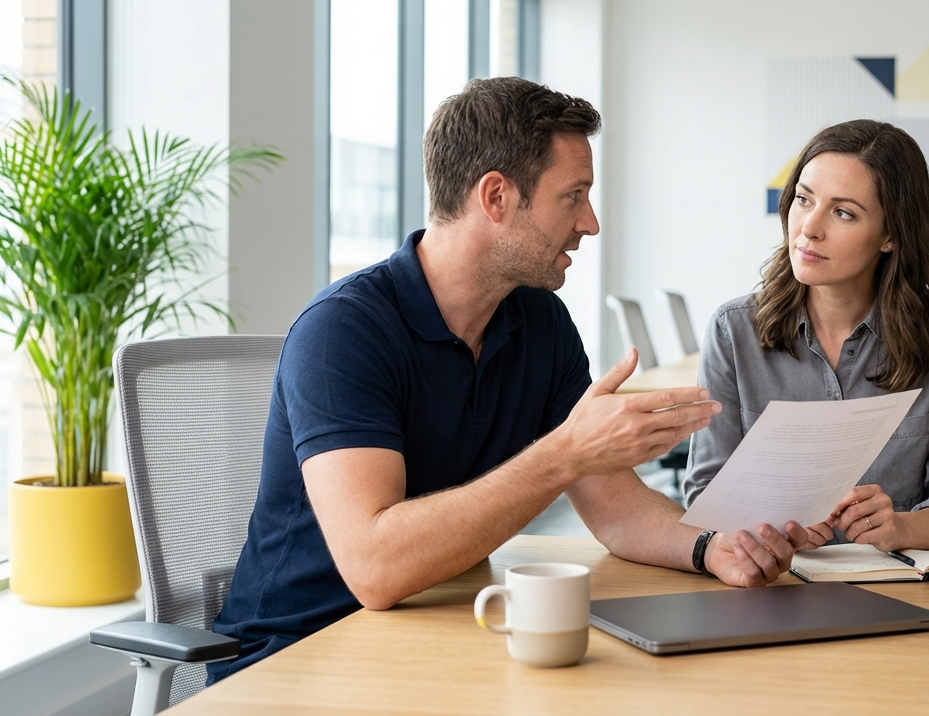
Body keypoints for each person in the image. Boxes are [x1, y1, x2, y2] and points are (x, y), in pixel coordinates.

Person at [209, 78, 812, 682]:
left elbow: (619, 509)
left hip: (433, 634)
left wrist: (713, 548)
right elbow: (374, 569)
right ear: (496, 196)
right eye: (573, 196)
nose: (591, 223)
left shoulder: (536, 319)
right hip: (297, 657)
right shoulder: (343, 332)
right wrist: (566, 452)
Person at [682, 119, 929, 552]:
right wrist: (771, 527)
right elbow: (704, 495)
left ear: (891, 234)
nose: (809, 228)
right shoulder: (733, 330)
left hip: (895, 587)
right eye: (803, 199)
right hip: (771, 588)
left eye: (843, 212)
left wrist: (902, 528)